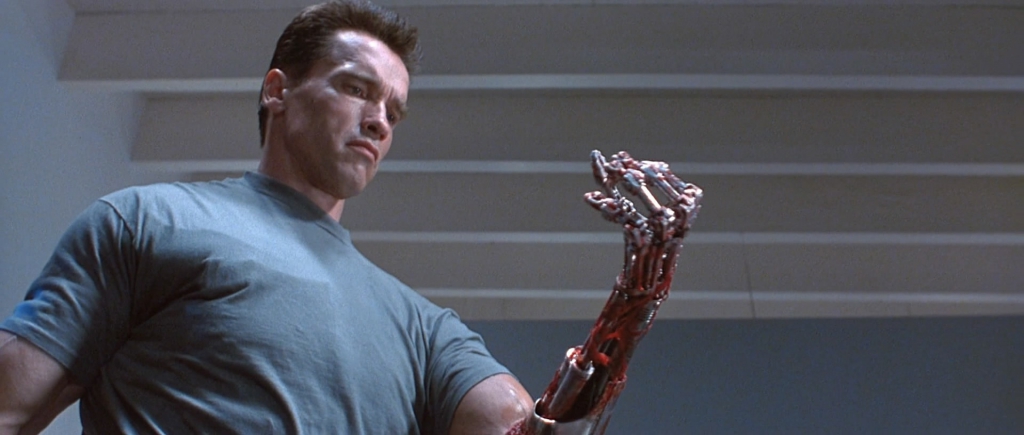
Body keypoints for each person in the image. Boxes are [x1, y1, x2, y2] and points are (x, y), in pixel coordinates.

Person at [0, 1, 534, 434]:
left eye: (393, 112)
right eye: (357, 90)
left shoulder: (426, 330)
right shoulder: (149, 222)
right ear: (277, 91)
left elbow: (515, 418)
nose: (379, 122)